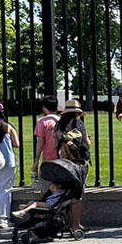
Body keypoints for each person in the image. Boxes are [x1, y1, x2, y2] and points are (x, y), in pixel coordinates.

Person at [53, 98, 90, 232]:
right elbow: (86, 142)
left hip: (63, 161)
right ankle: (76, 225)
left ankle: (62, 222)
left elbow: (53, 145)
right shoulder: (77, 123)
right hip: (77, 162)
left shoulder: (58, 125)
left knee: (63, 191)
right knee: (77, 194)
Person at [0, 102, 20, 229]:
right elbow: (16, 144)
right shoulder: (8, 127)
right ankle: (3, 218)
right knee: (4, 189)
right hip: (8, 161)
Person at [32, 96, 61, 181]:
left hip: (48, 158)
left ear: (44, 108)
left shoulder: (42, 121)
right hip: (62, 157)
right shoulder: (61, 120)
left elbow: (40, 142)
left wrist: (36, 160)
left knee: (48, 186)